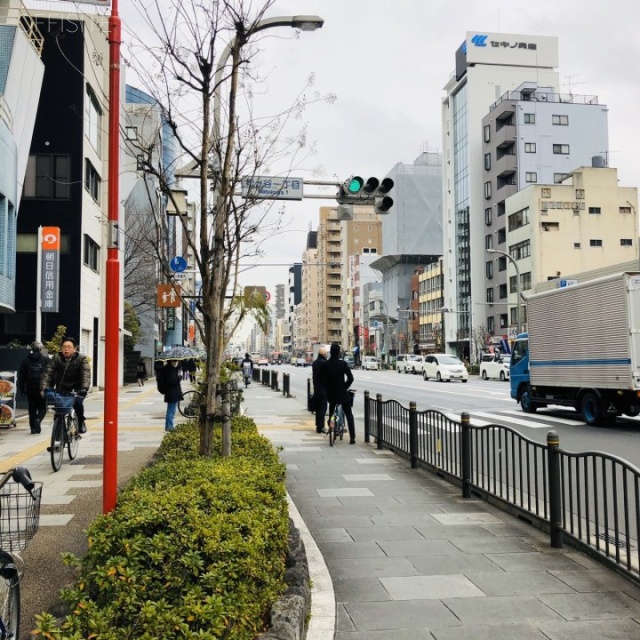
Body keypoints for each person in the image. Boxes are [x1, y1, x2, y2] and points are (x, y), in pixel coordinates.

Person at [40, 337, 91, 434]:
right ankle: (57, 440)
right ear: (61, 348)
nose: (66, 349)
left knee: (78, 404)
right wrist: (44, 388)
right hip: (61, 389)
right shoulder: (56, 358)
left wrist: (84, 388)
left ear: (75, 349)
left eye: (69, 347)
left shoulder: (81, 359)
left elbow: (85, 374)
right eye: (64, 347)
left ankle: (81, 422)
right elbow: (47, 373)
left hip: (77, 389)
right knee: (59, 412)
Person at [323, 343, 356, 444]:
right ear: (338, 353)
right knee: (349, 415)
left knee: (332, 410)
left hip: (331, 393)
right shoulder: (343, 364)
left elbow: (321, 378)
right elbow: (351, 378)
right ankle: (352, 438)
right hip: (342, 393)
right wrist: (344, 387)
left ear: (330, 352)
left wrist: (327, 387)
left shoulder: (325, 364)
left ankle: (330, 424)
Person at [18, 341, 50, 434]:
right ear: (40, 349)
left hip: (30, 388)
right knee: (43, 407)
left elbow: (21, 376)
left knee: (32, 408)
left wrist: (21, 388)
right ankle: (38, 419)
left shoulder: (25, 361)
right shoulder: (46, 360)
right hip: (42, 388)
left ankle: (33, 428)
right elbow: (51, 374)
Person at [157, 360, 183, 432]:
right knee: (171, 410)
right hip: (172, 393)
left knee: (172, 410)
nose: (175, 362)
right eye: (174, 361)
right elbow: (172, 381)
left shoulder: (169, 369)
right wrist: (179, 378)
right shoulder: (169, 370)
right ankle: (169, 427)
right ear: (170, 362)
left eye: (176, 361)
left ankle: (169, 426)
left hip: (171, 393)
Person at [311, 346, 328, 434]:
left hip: (316, 388)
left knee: (318, 409)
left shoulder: (315, 363)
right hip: (323, 389)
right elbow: (326, 377)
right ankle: (321, 426)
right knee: (323, 408)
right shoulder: (324, 363)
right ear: (324, 354)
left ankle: (318, 426)